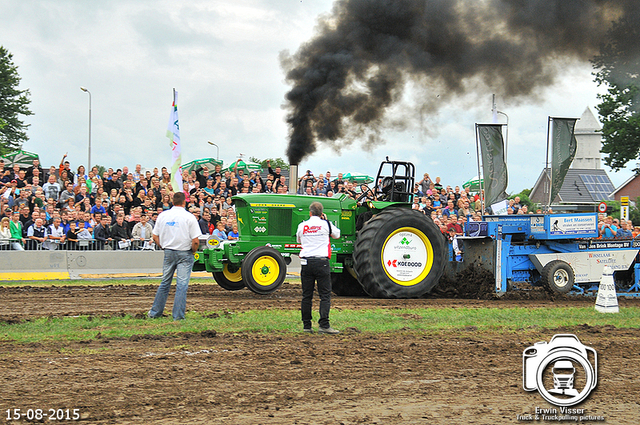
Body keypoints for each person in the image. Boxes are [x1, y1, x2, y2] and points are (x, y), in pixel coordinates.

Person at [148, 192, 202, 321]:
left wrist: (163, 247)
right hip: (184, 252)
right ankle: (178, 316)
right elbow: (195, 240)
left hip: (169, 251)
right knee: (182, 284)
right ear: (184, 202)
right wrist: (193, 251)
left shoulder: (163, 216)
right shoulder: (189, 217)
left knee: (165, 282)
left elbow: (155, 236)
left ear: (172, 202)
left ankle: (155, 312)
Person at [296, 201, 341, 334]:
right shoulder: (326, 224)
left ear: (310, 213)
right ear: (321, 213)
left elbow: (299, 240)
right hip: (322, 262)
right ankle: (324, 325)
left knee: (306, 295)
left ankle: (306, 326)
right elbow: (337, 235)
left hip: (306, 262)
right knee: (325, 295)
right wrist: (326, 221)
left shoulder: (302, 225)